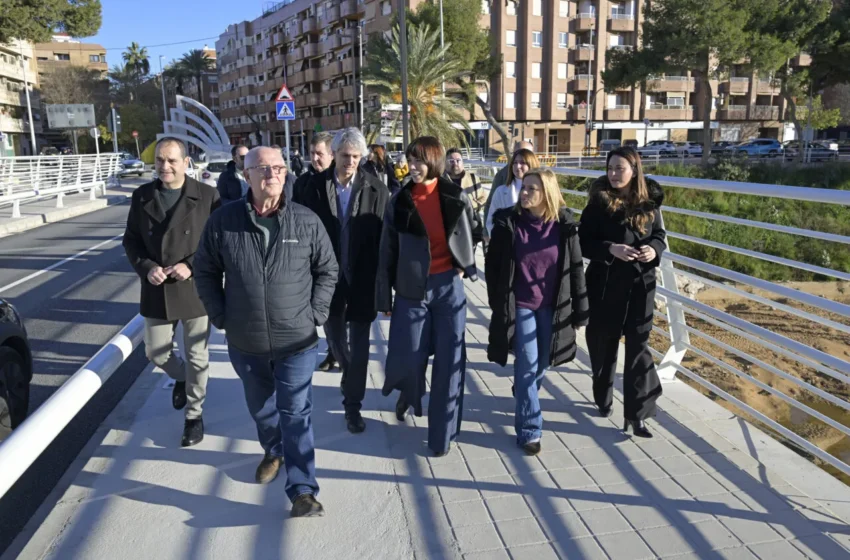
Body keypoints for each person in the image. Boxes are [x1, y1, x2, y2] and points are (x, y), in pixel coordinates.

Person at [193, 146, 338, 517]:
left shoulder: (306, 221)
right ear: (246, 175)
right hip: (247, 340)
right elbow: (205, 271)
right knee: (262, 410)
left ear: (287, 173)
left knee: (296, 411)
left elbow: (328, 269)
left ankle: (303, 489)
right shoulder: (223, 222)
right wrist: (221, 316)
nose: (272, 174)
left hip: (298, 340)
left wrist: (316, 313)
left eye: (278, 167)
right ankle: (273, 450)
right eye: (262, 168)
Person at [376, 136, 478, 457]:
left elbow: (472, 231)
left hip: (449, 288)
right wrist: (385, 298)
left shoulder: (454, 195)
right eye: (410, 160)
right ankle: (409, 392)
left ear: (434, 161)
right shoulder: (400, 200)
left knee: (450, 362)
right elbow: (386, 251)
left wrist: (464, 266)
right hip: (410, 290)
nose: (414, 167)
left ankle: (441, 435)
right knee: (409, 355)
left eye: (419, 161)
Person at [123, 137, 221, 448]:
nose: (165, 166)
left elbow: (217, 242)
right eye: (160, 161)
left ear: (185, 162)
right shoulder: (142, 196)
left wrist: (191, 265)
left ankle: (194, 416)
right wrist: (147, 266)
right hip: (156, 287)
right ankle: (181, 378)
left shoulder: (206, 196)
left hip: (194, 287)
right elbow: (131, 241)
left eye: (172, 161)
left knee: (197, 356)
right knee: (155, 352)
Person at [485, 168, 589, 455]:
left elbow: (576, 270)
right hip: (520, 304)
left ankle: (522, 392)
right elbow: (493, 267)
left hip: (552, 306)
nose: (526, 193)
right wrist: (497, 304)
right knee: (528, 365)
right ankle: (530, 430)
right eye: (525, 187)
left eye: (533, 189)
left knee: (543, 362)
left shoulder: (564, 226)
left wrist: (581, 311)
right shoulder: (509, 223)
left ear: (548, 194)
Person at [293, 128, 389, 434]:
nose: (350, 161)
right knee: (335, 341)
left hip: (362, 280)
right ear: (334, 154)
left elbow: (384, 241)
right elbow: (300, 233)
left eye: (356, 156)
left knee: (359, 348)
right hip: (325, 281)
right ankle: (349, 374)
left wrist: (385, 286)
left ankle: (353, 405)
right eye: (345, 155)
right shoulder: (312, 187)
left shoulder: (376, 189)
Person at [579, 147, 666, 439]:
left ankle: (636, 415)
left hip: (642, 286)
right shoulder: (597, 203)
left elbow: (659, 236)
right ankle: (602, 393)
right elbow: (583, 241)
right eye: (611, 168)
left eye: (620, 168)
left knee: (638, 348)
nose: (614, 174)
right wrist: (610, 249)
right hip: (605, 285)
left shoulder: (651, 202)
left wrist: (652, 249)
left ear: (634, 170)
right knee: (604, 346)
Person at [482, 140, 534, 236]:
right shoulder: (501, 179)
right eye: (516, 161)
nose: (518, 166)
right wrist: (488, 232)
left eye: (523, 160)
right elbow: (491, 207)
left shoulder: (544, 182)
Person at [445, 148, 486, 254]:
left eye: (458, 160)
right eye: (451, 161)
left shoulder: (473, 178)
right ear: (445, 163)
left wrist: (471, 206)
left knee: (469, 257)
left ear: (462, 162)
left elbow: (483, 197)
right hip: (449, 228)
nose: (455, 163)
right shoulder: (441, 181)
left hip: (470, 226)